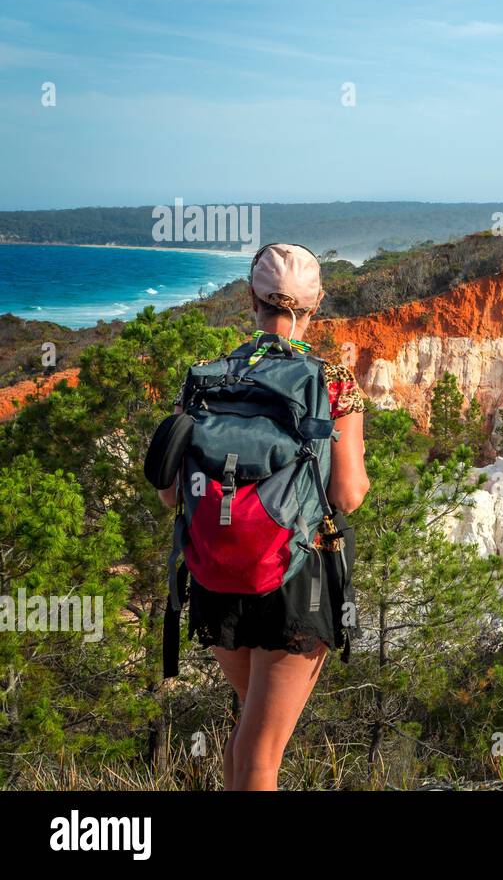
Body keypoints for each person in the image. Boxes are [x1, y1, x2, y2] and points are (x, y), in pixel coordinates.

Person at [158, 243, 370, 790]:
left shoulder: (204, 379)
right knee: (261, 754)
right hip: (295, 576)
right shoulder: (332, 380)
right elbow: (348, 495)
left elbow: (170, 495)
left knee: (246, 735)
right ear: (315, 305)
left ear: (250, 298)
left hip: (214, 572)